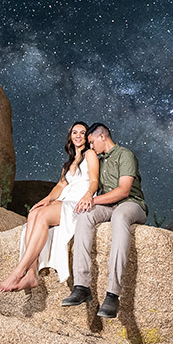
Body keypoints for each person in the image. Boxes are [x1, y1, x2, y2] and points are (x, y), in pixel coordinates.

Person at [0, 121, 99, 292]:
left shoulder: (90, 155)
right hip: (65, 200)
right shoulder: (69, 163)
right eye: (75, 132)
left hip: (79, 201)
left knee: (42, 217)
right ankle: (31, 274)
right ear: (70, 137)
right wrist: (46, 199)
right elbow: (60, 186)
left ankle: (18, 271)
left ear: (87, 137)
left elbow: (94, 181)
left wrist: (88, 195)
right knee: (34, 213)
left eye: (82, 132)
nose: (78, 136)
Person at [61, 123, 147, 319]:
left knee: (120, 216)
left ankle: (112, 294)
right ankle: (82, 286)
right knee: (85, 216)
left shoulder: (125, 155)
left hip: (131, 203)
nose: (90, 147)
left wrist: (92, 200)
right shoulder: (100, 160)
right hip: (108, 205)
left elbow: (124, 190)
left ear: (102, 137)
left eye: (91, 142)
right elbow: (88, 183)